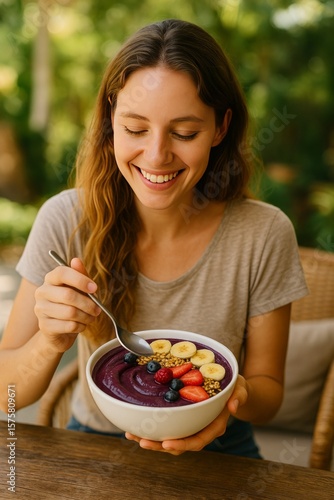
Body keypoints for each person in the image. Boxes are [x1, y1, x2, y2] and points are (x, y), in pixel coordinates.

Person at [0, 19, 308, 457]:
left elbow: (269, 391)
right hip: (96, 449)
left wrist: (231, 398)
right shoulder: (66, 219)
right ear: (110, 120)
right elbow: (6, 395)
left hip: (222, 449)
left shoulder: (263, 233)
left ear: (221, 128)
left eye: (184, 133)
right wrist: (49, 340)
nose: (157, 155)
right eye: (135, 128)